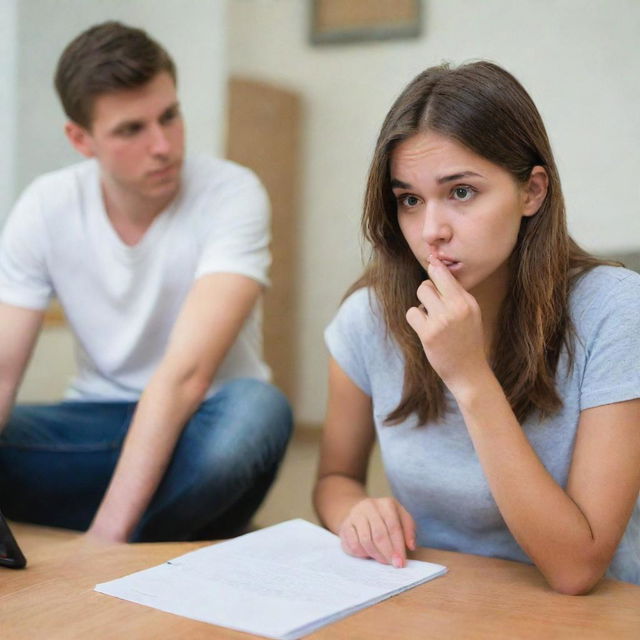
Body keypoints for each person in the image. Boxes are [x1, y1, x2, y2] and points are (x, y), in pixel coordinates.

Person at [313, 61, 640, 594]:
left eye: (461, 192)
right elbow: (335, 479)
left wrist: (469, 377)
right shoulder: (368, 319)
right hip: (434, 600)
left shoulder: (615, 311)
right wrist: (357, 511)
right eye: (409, 200)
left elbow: (577, 568)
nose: (431, 232)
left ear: (532, 192)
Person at [0, 21, 293, 543]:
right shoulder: (45, 206)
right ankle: (176, 524)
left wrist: (100, 544)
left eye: (169, 116)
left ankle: (117, 523)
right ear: (80, 139)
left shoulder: (232, 193)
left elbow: (185, 376)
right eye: (132, 130)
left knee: (258, 413)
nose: (162, 145)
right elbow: (2, 374)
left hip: (202, 424)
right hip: (96, 426)